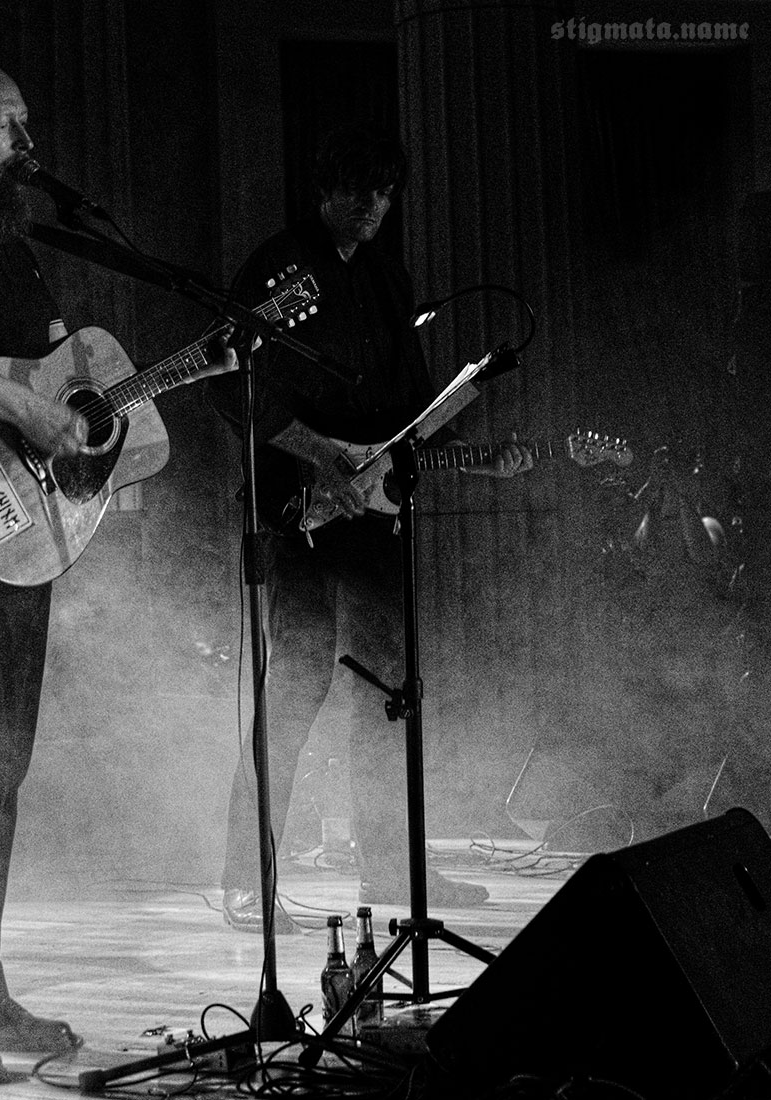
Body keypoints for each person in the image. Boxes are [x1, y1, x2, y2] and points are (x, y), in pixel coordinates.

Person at [0, 58, 234, 1083]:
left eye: (25, 122)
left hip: (13, 537)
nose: (25, 142)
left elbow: (79, 388)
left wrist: (121, 412)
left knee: (0, 772)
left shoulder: (11, 247)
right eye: (0, 125)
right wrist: (26, 410)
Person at [211, 124, 532, 933]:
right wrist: (323, 459)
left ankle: (391, 868)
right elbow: (233, 388)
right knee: (295, 685)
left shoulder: (389, 279)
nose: (373, 206)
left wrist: (478, 457)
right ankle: (247, 879)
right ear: (325, 191)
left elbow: (410, 409)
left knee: (390, 689)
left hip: (372, 509)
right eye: (359, 190)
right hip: (298, 506)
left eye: (385, 193)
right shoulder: (280, 268)